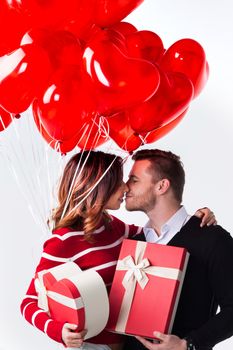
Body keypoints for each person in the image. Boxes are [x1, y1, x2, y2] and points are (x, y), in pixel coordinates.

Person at [20, 150, 215, 350]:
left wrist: (195, 219)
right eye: (119, 181)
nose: (125, 187)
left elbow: (164, 234)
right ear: (99, 186)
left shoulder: (114, 227)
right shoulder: (64, 239)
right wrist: (58, 331)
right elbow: (29, 301)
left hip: (125, 344)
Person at [123, 149, 233, 350]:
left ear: (162, 186)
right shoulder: (132, 243)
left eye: (134, 179)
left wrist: (188, 345)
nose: (125, 186)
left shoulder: (213, 239)